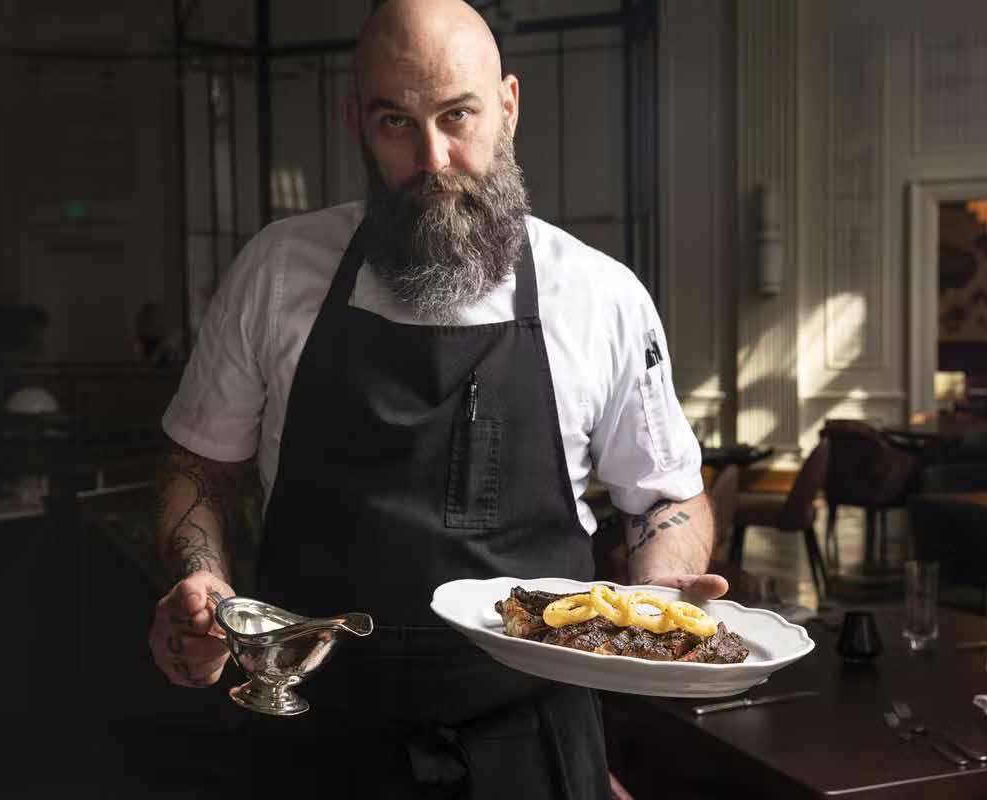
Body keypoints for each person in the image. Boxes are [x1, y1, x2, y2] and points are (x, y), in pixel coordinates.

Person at [147, 0, 726, 796]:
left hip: (532, 740)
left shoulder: (600, 297)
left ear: (508, 106)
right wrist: (204, 585)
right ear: (357, 123)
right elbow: (199, 468)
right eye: (396, 122)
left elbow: (664, 497)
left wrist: (660, 595)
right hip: (312, 736)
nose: (433, 159)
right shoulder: (278, 272)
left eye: (459, 115)